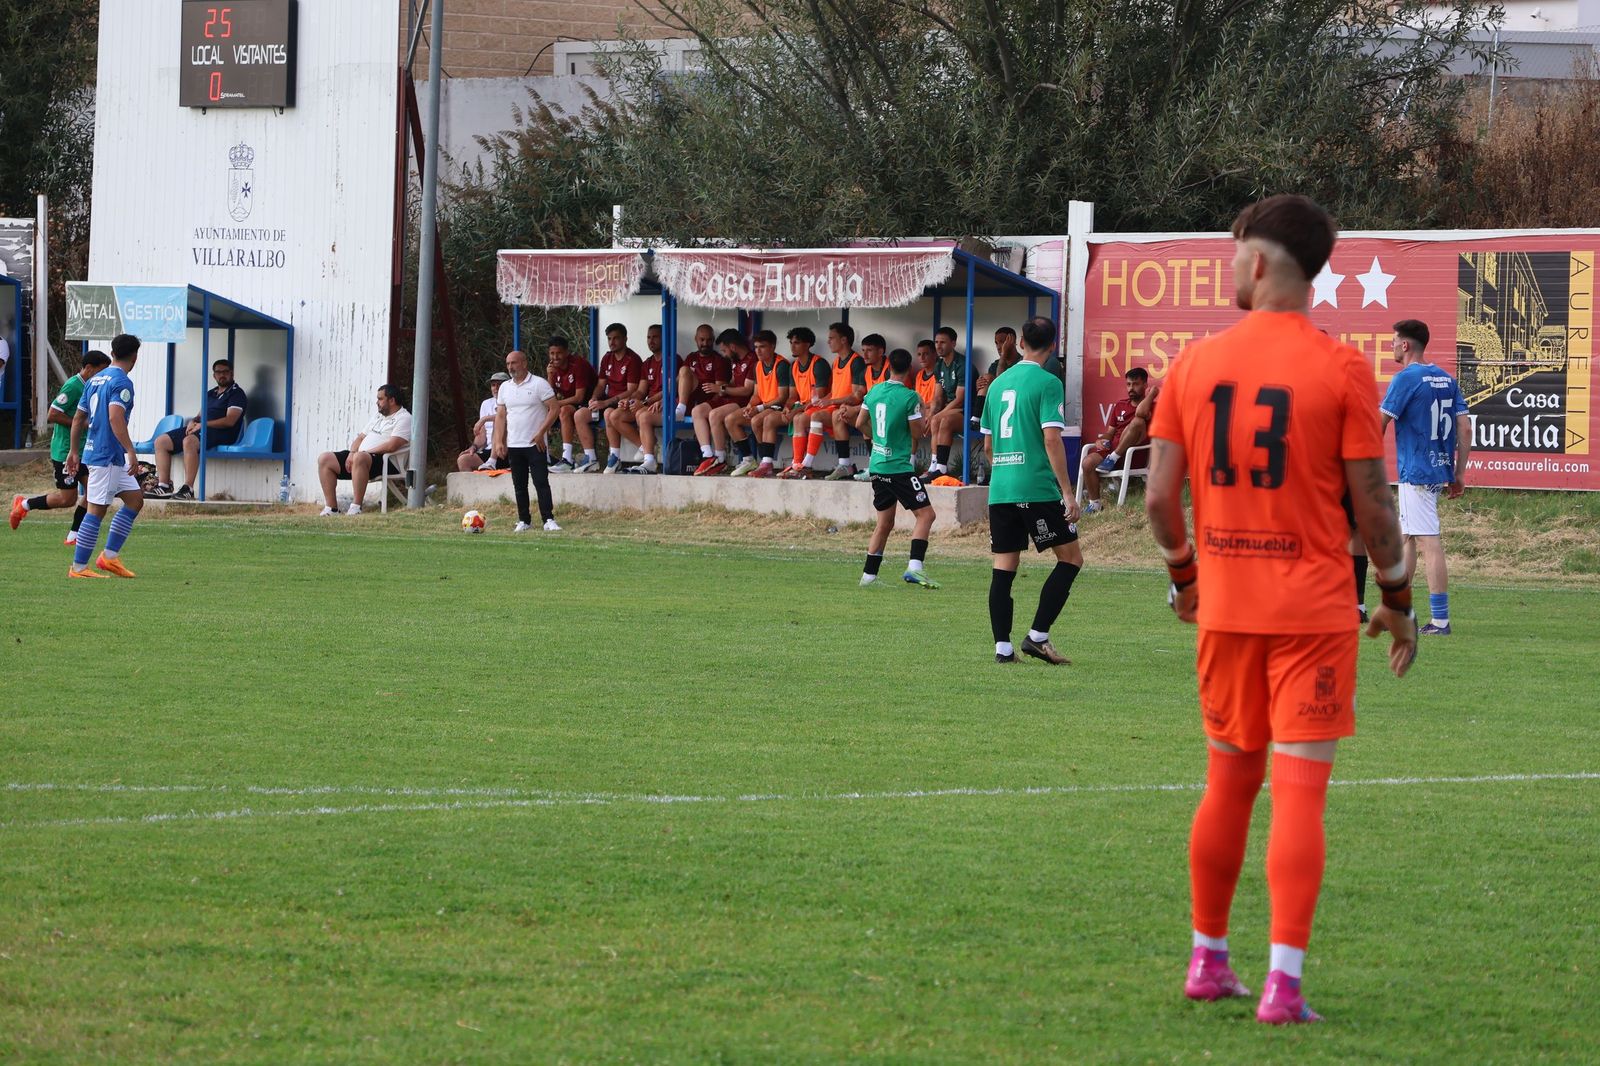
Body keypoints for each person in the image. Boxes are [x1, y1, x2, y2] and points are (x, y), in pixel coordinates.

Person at [1144, 194, 1417, 1026]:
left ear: (1259, 264)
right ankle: (1284, 985)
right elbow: (1373, 510)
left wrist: (1189, 580)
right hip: (1313, 613)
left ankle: (1206, 959)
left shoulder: (1193, 364)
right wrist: (1399, 597)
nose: (1230, 269)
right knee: (1300, 792)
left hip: (1226, 610)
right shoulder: (1342, 368)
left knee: (1229, 781)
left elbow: (1159, 501)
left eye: (1234, 255)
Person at [980, 316, 1082, 665]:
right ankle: (1038, 637)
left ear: (1021, 342)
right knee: (1071, 559)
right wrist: (1067, 492)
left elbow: (989, 447)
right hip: (1035, 488)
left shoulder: (996, 385)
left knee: (1004, 567)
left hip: (1001, 489)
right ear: (1053, 345)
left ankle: (1002, 650)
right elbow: (1051, 439)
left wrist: (1006, 474)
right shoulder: (1048, 382)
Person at [1381, 319, 1470, 635]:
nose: (1391, 345)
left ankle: (1441, 620)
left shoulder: (1406, 379)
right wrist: (1458, 472)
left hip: (1416, 470)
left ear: (1405, 345)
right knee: (1408, 536)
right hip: (1438, 468)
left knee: (1429, 541)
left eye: (1393, 340)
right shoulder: (1446, 379)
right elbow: (1465, 427)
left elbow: (1379, 423)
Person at [856, 348, 939, 587]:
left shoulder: (874, 391)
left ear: (888, 366)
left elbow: (860, 422)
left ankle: (868, 577)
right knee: (926, 515)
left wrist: (879, 440)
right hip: (898, 468)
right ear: (910, 369)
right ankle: (915, 567)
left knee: (884, 523)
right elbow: (916, 432)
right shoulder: (911, 397)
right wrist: (921, 423)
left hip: (878, 465)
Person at [63, 334, 143, 578]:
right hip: (106, 456)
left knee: (135, 500)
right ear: (135, 357)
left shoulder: (95, 380)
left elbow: (78, 418)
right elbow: (115, 417)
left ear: (112, 353)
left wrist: (74, 450)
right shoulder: (122, 382)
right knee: (96, 511)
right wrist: (131, 450)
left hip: (103, 455)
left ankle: (109, 558)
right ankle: (78, 568)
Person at [10, 349, 111, 544]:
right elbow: (53, 414)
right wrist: (81, 423)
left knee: (94, 492)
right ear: (89, 369)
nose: (104, 376)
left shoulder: (92, 386)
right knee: (67, 499)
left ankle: (74, 535)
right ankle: (24, 504)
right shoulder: (73, 386)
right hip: (66, 451)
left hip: (84, 451)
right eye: (101, 371)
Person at [147, 360, 248, 499]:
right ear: (214, 375)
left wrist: (204, 424)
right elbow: (200, 415)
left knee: (189, 441)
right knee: (161, 441)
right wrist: (193, 422)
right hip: (204, 428)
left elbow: (230, 421)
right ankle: (164, 486)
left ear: (231, 373)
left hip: (223, 433)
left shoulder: (237, 394)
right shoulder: (211, 393)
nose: (222, 375)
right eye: (218, 372)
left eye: (225, 372)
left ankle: (188, 488)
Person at [491, 349, 560, 532]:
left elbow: (554, 409)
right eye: (507, 364)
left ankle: (548, 519)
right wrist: (499, 441)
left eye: (513, 363)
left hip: (534, 443)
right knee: (519, 484)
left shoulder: (539, 384)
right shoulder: (505, 387)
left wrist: (541, 432)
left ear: (524, 363)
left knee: (540, 481)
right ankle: (524, 520)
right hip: (514, 444)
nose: (510, 367)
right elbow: (500, 416)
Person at [316, 384, 411, 516]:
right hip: (362, 458)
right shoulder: (378, 416)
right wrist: (352, 453)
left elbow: (392, 446)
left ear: (392, 400)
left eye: (380, 399)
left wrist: (364, 453)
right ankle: (331, 509)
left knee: (360, 458)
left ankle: (356, 507)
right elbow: (360, 438)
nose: (376, 402)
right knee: (325, 458)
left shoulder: (404, 418)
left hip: (387, 462)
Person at [1079, 367, 1158, 513]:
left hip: (1132, 454)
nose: (1131, 388)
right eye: (1128, 384)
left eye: (1136, 384)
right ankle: (1095, 504)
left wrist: (1152, 394)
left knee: (1137, 422)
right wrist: (1101, 440)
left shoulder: (1152, 407)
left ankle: (1113, 457)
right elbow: (1110, 433)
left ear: (1145, 385)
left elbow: (1141, 413)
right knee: (1087, 463)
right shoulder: (1120, 405)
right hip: (1110, 452)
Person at [793, 321, 863, 478]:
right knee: (803, 417)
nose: (828, 341)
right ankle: (799, 463)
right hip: (835, 407)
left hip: (849, 410)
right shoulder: (837, 361)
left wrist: (830, 402)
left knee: (817, 416)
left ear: (843, 340)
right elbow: (835, 392)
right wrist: (821, 400)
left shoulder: (856, 361)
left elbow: (855, 396)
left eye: (832, 338)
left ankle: (807, 464)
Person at [611, 324, 673, 474]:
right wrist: (630, 400)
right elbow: (640, 391)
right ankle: (645, 448)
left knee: (643, 415)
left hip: (664, 405)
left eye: (655, 337)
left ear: (664, 338)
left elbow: (670, 390)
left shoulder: (672, 359)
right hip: (649, 405)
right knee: (615, 416)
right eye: (649, 337)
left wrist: (644, 402)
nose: (651, 341)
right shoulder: (647, 363)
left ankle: (650, 461)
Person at [826, 330, 884, 480]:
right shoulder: (867, 370)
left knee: (866, 419)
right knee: (838, 414)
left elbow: (884, 400)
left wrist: (856, 409)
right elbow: (858, 394)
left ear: (881, 352)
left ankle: (875, 466)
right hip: (874, 413)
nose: (864, 354)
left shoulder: (889, 369)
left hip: (889, 415)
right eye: (863, 350)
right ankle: (845, 465)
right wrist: (845, 405)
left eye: (869, 351)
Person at [585, 322, 643, 473]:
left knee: (608, 413)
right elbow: (600, 384)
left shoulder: (633, 359)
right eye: (609, 338)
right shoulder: (607, 358)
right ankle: (590, 458)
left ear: (625, 339)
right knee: (579, 415)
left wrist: (605, 403)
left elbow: (632, 390)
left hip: (625, 403)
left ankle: (618, 455)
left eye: (616, 338)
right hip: (609, 402)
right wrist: (594, 398)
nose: (612, 342)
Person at [777, 326, 833, 479]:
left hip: (822, 407)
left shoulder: (819, 364)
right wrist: (788, 407)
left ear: (807, 344)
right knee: (793, 417)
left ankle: (801, 465)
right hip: (804, 408)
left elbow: (819, 399)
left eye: (797, 343)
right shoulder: (794, 366)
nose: (792, 346)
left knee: (798, 418)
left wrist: (796, 410)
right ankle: (797, 465)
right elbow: (792, 396)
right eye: (791, 343)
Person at [737, 330, 793, 478]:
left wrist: (759, 408)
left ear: (773, 347)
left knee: (757, 420)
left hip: (779, 407)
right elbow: (756, 394)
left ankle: (765, 463)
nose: (758, 350)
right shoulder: (757, 366)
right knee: (733, 419)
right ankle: (757, 461)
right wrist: (750, 406)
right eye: (756, 347)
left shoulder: (781, 365)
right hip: (764, 406)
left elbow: (782, 397)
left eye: (762, 346)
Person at [713, 330, 764, 476]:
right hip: (740, 403)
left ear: (733, 347)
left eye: (724, 350)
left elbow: (748, 390)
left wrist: (723, 389)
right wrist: (722, 389)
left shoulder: (753, 360)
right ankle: (746, 460)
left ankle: (762, 462)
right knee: (714, 415)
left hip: (751, 405)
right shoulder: (735, 361)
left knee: (723, 417)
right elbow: (734, 383)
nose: (724, 354)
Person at [545, 336, 596, 473]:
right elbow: (550, 396)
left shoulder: (578, 364)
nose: (555, 357)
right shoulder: (553, 368)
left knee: (563, 410)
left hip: (592, 403)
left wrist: (555, 404)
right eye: (552, 353)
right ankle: (555, 458)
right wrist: (550, 376)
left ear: (567, 352)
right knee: (553, 411)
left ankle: (577, 459)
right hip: (574, 405)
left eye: (559, 353)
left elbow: (579, 397)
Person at [923, 326, 967, 478]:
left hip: (965, 410)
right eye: (936, 342)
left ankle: (941, 468)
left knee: (944, 420)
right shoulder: (939, 365)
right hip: (949, 407)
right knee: (934, 419)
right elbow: (937, 397)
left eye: (943, 342)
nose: (938, 346)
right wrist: (933, 413)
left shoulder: (962, 364)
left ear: (953, 343)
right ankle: (934, 466)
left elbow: (960, 399)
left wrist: (938, 415)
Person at [458, 372, 508, 472]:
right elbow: (482, 434)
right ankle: (473, 487)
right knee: (463, 460)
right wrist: (474, 447)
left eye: (499, 384)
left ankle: (492, 461)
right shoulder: (486, 404)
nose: (496, 388)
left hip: (507, 448)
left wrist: (484, 419)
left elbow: (504, 417)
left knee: (497, 422)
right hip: (489, 449)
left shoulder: (513, 400)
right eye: (493, 385)